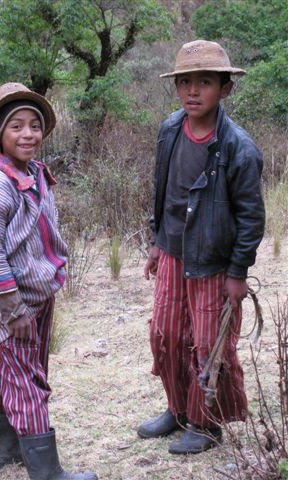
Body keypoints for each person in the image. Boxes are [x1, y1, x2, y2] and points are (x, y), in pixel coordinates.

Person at [137, 40, 265, 454]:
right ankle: (177, 409)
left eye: (205, 82)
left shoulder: (238, 149)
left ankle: (205, 423)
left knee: (209, 346)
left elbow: (250, 218)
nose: (193, 91)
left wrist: (238, 273)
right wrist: (156, 243)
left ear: (225, 89)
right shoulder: (170, 129)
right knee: (166, 334)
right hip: (173, 253)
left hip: (213, 262)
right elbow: (163, 191)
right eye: (185, 82)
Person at [0, 82, 98, 479]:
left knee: (12, 372)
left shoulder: (33, 173)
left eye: (34, 126)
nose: (28, 134)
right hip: (16, 303)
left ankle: (6, 451)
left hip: (38, 297)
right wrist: (12, 307)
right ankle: (48, 473)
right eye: (16, 127)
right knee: (27, 380)